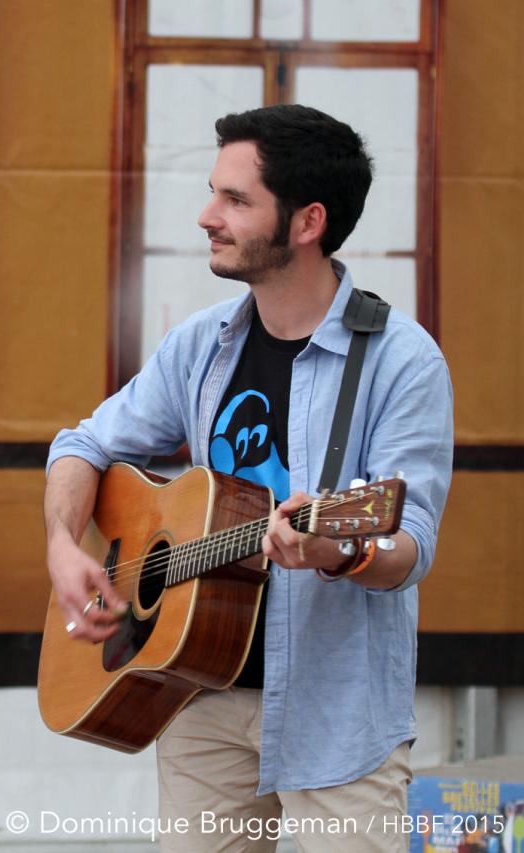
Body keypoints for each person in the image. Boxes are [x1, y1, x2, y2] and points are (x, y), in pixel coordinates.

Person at [44, 104, 453, 852]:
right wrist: (64, 544)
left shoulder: (403, 361)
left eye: (235, 199)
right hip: (196, 690)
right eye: (213, 192)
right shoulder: (201, 345)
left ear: (306, 222)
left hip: (338, 715)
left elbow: (408, 546)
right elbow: (85, 442)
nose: (207, 215)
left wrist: (341, 550)